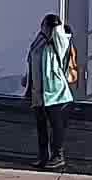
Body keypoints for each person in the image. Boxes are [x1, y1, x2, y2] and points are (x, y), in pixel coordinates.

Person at [24, 13, 76, 171]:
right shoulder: (38, 42)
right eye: (46, 25)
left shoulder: (60, 42)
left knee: (56, 126)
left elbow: (60, 34)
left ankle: (58, 156)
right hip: (38, 93)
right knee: (41, 126)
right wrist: (27, 79)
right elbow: (32, 59)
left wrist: (56, 24)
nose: (48, 29)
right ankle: (43, 156)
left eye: (50, 27)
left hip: (57, 94)